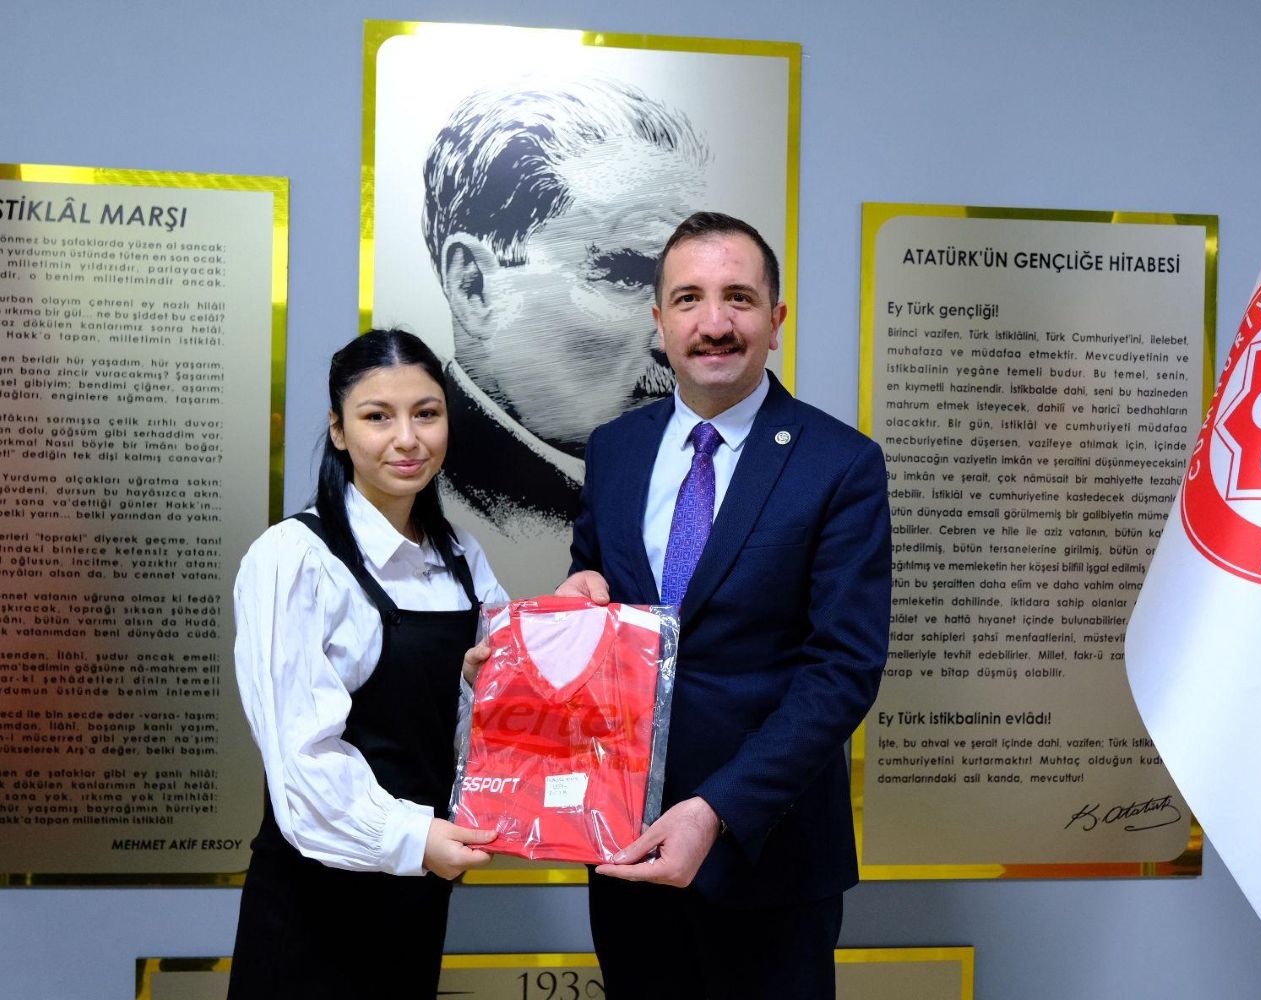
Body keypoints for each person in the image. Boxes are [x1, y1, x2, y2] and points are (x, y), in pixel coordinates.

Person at [559, 212, 893, 998]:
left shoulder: (841, 465)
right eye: (689, 299)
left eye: (738, 298)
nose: (714, 323)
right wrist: (580, 593)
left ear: (776, 320)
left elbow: (843, 669)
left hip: (767, 858)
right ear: (659, 321)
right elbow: (596, 585)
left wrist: (717, 809)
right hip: (627, 849)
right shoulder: (615, 449)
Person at [228, 330, 504, 998]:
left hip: (417, 896)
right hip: (314, 907)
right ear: (339, 430)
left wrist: (488, 691)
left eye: (426, 414)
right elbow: (301, 765)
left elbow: (485, 733)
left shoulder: (463, 561)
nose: (407, 439)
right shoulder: (294, 558)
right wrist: (414, 838)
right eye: (378, 416)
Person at [421, 78, 709, 537]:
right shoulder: (403, 512)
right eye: (625, 275)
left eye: (687, 294)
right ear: (473, 286)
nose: (677, 335)